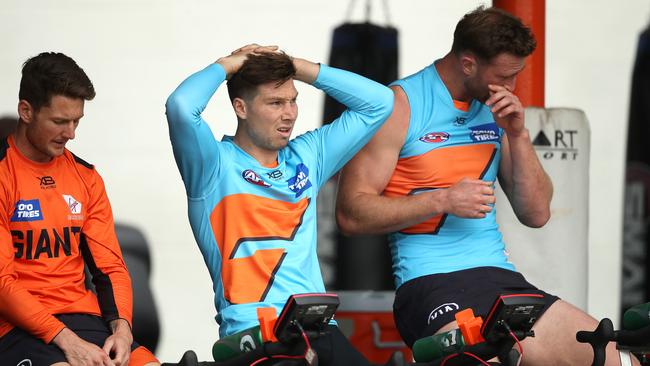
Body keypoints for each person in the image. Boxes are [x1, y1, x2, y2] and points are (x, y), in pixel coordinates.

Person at [336, 6, 638, 366]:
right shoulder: (399, 106)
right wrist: (443, 200)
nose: (511, 87)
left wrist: (517, 133)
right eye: (505, 76)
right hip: (430, 284)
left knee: (616, 359)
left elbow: (537, 213)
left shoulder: (495, 109)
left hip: (500, 280)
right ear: (468, 64)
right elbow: (350, 214)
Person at [165, 44, 393, 365]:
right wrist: (227, 65)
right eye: (275, 102)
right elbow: (180, 105)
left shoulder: (308, 155)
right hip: (255, 333)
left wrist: (294, 66)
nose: (289, 113)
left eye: (293, 100)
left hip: (319, 327)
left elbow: (380, 103)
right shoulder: (212, 166)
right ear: (241, 108)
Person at [0, 52, 159, 366]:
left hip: (83, 317)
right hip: (14, 328)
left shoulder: (86, 177)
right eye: (60, 121)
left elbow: (110, 269)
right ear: (26, 111)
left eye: (77, 121)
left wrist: (123, 331)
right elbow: (2, 282)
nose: (71, 133)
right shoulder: (4, 175)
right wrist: (67, 342)